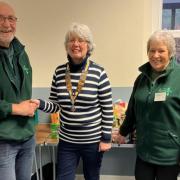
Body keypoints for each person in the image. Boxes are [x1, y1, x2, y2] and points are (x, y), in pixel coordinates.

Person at [32, 22, 113, 180]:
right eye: (71, 40)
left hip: (93, 142)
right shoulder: (59, 71)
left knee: (91, 177)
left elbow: (107, 109)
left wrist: (106, 138)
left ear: (88, 46)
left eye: (81, 40)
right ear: (66, 45)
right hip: (67, 141)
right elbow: (55, 105)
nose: (76, 44)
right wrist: (39, 103)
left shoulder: (99, 72)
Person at [114, 30, 180, 180]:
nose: (155, 55)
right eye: (152, 50)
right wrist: (123, 132)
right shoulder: (142, 78)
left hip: (169, 155)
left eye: (161, 51)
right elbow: (132, 110)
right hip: (144, 152)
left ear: (170, 52)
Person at [0, 2, 37, 180]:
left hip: (27, 137)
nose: (6, 24)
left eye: (11, 18)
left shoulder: (21, 52)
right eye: (0, 18)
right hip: (3, 140)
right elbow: (18, 104)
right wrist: (16, 109)